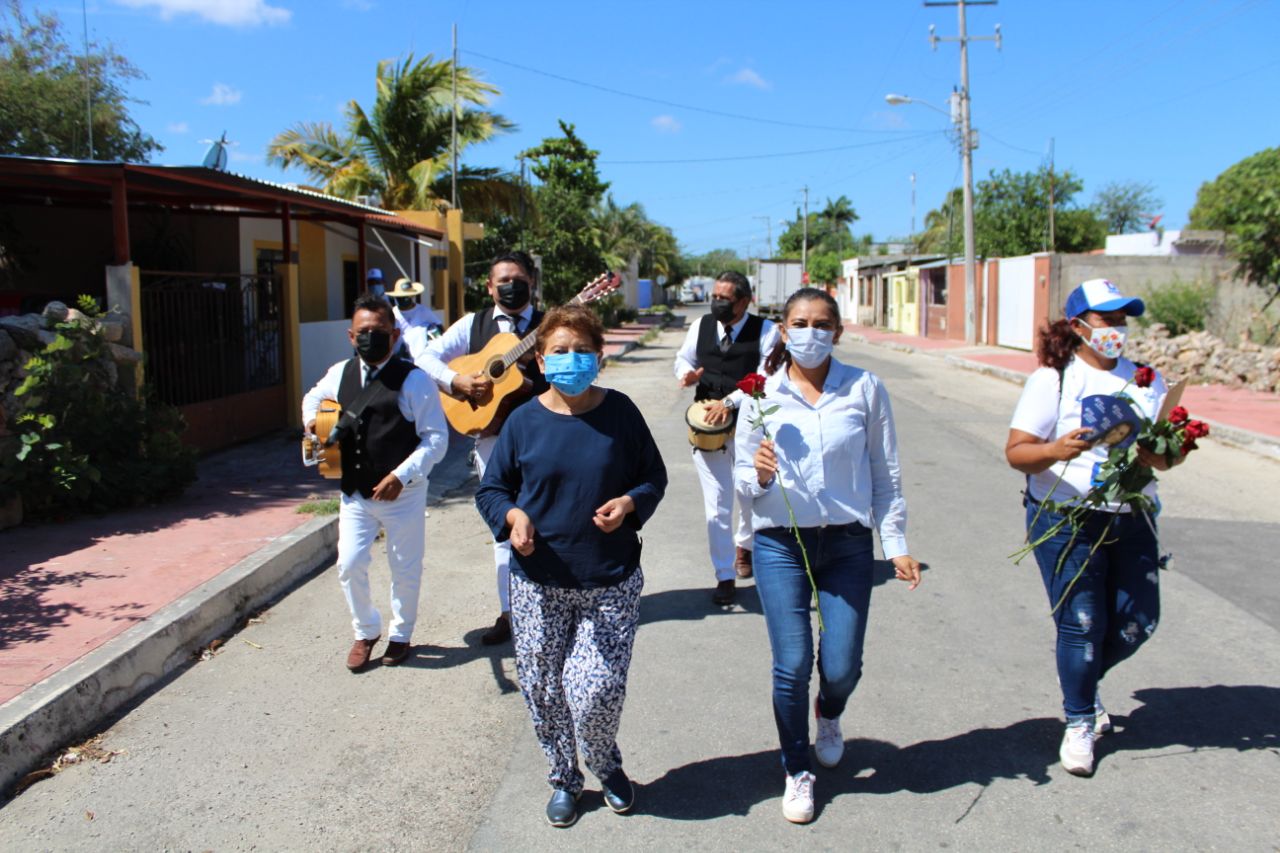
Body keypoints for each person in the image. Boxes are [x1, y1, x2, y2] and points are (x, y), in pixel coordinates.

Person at [475, 305, 667, 828]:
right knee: (540, 687)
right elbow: (492, 490)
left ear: (599, 357)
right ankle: (563, 777)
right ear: (539, 360)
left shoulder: (621, 413)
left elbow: (653, 476)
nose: (571, 359)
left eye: (582, 350)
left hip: (609, 580)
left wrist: (629, 503)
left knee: (595, 691)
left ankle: (605, 762)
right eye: (559, 351)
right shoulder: (522, 422)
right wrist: (512, 517)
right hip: (537, 583)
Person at [735, 287, 921, 824]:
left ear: (837, 331)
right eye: (800, 322)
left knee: (840, 666)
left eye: (821, 323)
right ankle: (797, 769)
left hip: (846, 544)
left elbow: (885, 474)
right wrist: (761, 473)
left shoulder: (864, 388)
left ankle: (830, 712)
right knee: (791, 664)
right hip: (780, 542)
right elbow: (743, 478)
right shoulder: (761, 393)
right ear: (783, 329)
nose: (810, 332)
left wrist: (898, 544)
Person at [1006, 278, 1175, 777]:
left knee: (1137, 622)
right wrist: (1056, 450)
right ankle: (1079, 718)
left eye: (1123, 319)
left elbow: (1164, 459)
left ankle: (1083, 683)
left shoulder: (1147, 379)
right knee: (1081, 626)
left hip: (1132, 517)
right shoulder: (1054, 379)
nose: (1117, 329)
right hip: (1065, 520)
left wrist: (1166, 453)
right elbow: (1017, 453)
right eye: (1107, 319)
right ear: (1078, 326)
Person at [302, 295, 449, 671]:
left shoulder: (415, 380)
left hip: (403, 494)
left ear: (395, 334)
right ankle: (366, 630)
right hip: (354, 492)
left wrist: (401, 476)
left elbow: (436, 438)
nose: (371, 338)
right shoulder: (340, 373)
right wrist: (311, 423)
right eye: (363, 332)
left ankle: (400, 636)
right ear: (351, 336)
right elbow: (313, 397)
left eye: (379, 332)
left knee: (405, 567)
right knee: (349, 563)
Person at [420, 250, 546, 645]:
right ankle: (510, 612)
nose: (511, 286)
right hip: (491, 438)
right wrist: (455, 383)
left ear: (532, 282)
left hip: (545, 435)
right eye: (502, 280)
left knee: (547, 519)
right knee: (503, 528)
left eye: (519, 279)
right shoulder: (472, 324)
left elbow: (585, 362)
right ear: (490, 287)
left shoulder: (550, 324)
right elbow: (425, 357)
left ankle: (550, 603)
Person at [673, 270, 780, 605]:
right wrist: (685, 374)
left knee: (747, 495)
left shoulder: (766, 330)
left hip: (749, 424)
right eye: (714, 296)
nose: (716, 302)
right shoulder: (700, 327)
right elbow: (683, 358)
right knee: (716, 505)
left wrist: (731, 401)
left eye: (724, 298)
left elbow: (767, 376)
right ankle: (724, 575)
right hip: (707, 426)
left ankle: (744, 545)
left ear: (744, 301)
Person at [388, 277, 445, 363]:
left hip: (420, 359)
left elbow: (440, 329)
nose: (402, 299)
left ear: (411, 296)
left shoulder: (423, 311)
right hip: (398, 358)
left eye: (405, 297)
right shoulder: (392, 313)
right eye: (399, 297)